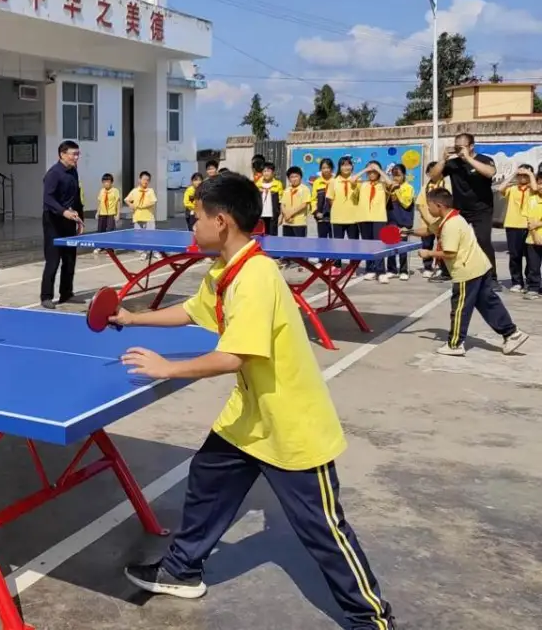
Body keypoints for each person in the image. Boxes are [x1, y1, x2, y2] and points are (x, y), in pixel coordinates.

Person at [113, 173, 397, 630]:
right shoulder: (225, 270)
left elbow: (234, 356)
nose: (192, 226)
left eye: (196, 218)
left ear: (221, 221)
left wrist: (167, 368)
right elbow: (191, 311)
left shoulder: (257, 276)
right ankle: (182, 569)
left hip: (290, 422)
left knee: (322, 529)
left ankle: (373, 619)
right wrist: (132, 318)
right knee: (207, 477)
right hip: (250, 415)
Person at [407, 187, 528, 357]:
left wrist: (428, 253)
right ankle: (512, 333)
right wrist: (407, 232)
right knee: (488, 303)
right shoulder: (450, 217)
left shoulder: (451, 225)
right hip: (480, 267)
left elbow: (450, 253)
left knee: (460, 308)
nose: (427, 209)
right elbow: (428, 230)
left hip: (467, 272)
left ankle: (455, 344)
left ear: (439, 205)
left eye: (429, 206)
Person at [436, 132, 497, 282]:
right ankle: (446, 272)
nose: (458, 150)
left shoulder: (484, 160)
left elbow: (490, 173)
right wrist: (443, 160)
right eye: (456, 147)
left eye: (462, 147)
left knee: (483, 240)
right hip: (460, 208)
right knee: (449, 238)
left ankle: (491, 277)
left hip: (482, 208)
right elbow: (434, 176)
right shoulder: (453, 164)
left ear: (471, 146)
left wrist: (468, 158)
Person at [40, 140, 83, 309]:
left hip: (69, 221)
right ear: (62, 154)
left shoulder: (73, 172)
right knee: (53, 260)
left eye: (78, 154)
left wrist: (80, 220)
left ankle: (66, 293)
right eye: (73, 154)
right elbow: (48, 198)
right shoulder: (53, 174)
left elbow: (76, 197)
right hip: (53, 221)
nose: (76, 157)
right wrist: (63, 211)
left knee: (69, 259)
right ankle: (46, 296)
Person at [496, 164, 536, 292]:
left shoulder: (533, 190)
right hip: (513, 225)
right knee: (515, 255)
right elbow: (500, 188)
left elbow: (535, 187)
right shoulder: (512, 189)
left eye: (525, 175)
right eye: (520, 175)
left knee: (531, 256)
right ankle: (517, 281)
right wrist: (514, 174)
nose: (522, 177)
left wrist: (530, 174)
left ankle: (530, 281)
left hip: (529, 225)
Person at [417, 162, 451, 281]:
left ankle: (442, 267)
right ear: (427, 173)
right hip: (427, 222)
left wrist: (440, 219)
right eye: (431, 171)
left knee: (443, 245)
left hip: (442, 221)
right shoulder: (425, 187)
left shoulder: (447, 185)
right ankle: (427, 267)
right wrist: (430, 219)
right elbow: (420, 205)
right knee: (427, 244)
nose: (434, 173)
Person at [356, 161, 390, 282]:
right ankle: (370, 269)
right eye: (370, 171)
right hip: (364, 217)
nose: (372, 173)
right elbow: (352, 180)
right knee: (368, 245)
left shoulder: (383, 184)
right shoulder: (362, 184)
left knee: (379, 245)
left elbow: (390, 183)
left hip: (379, 218)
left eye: (374, 171)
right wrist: (366, 169)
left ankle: (381, 271)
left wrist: (379, 170)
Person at [384, 163, 414, 281]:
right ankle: (391, 269)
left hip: (403, 221)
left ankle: (403, 270)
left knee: (402, 247)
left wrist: (397, 190)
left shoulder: (408, 188)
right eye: (394, 175)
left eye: (399, 175)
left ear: (404, 175)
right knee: (390, 246)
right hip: (391, 220)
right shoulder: (389, 187)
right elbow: (384, 202)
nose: (396, 178)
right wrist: (389, 190)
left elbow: (406, 203)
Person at [327, 156, 360, 240]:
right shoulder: (333, 181)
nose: (346, 167)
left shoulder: (358, 180)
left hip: (354, 219)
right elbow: (330, 199)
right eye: (343, 165)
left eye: (348, 165)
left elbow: (360, 198)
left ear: (352, 166)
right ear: (339, 167)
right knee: (336, 245)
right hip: (337, 219)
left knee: (354, 245)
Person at [523, 179, 542, 300]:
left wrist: (538, 224)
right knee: (533, 265)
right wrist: (534, 234)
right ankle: (534, 288)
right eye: (540, 183)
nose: (541, 186)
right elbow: (529, 219)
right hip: (533, 238)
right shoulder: (532, 199)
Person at [93, 172, 121, 255]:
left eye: (108, 182)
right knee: (100, 231)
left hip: (111, 214)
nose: (106, 183)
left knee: (110, 231)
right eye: (104, 182)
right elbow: (100, 202)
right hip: (102, 213)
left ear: (111, 182)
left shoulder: (115, 191)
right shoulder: (102, 191)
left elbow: (118, 202)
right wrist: (97, 212)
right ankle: (100, 246)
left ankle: (110, 248)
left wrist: (118, 214)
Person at [279, 166, 310, 237]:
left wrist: (289, 214)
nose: (294, 179)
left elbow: (304, 205)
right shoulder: (287, 190)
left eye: (296, 176)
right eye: (292, 177)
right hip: (287, 223)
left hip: (299, 223)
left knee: (300, 243)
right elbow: (282, 204)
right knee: (287, 242)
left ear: (300, 177)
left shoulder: (305, 189)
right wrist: (285, 215)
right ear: (289, 179)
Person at [310, 157, 335, 239]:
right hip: (321, 217)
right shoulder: (317, 182)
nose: (326, 170)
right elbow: (313, 199)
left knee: (334, 241)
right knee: (322, 241)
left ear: (332, 168)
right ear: (320, 169)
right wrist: (316, 212)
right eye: (323, 168)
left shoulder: (336, 181)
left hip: (335, 217)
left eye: (328, 167)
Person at [256, 162, 282, 236]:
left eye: (268, 171)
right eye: (264, 171)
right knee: (260, 236)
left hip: (273, 216)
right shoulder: (257, 185)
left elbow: (281, 201)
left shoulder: (278, 184)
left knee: (272, 236)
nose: (266, 173)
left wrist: (281, 215)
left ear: (273, 172)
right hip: (260, 216)